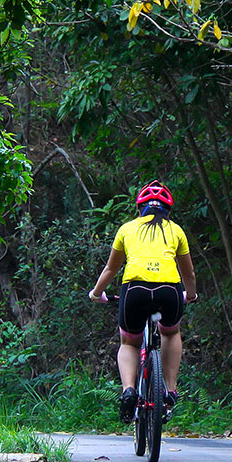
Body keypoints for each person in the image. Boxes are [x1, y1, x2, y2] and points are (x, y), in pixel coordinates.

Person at [89, 181, 199, 423]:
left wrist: (97, 293)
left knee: (129, 341)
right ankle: (169, 390)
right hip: (169, 290)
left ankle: (129, 389)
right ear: (167, 209)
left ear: (140, 207)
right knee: (171, 333)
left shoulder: (127, 229)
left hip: (134, 290)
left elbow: (110, 269)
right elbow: (188, 273)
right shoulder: (176, 231)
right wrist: (190, 294)